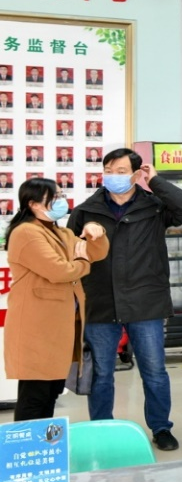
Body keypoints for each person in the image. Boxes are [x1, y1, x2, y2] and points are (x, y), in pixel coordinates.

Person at [68, 148, 182, 452]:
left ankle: (161, 427)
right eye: (108, 170)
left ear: (135, 173)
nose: (113, 176)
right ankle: (101, 428)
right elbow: (70, 250)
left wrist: (155, 182)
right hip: (100, 301)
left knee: (154, 371)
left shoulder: (154, 206)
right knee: (101, 374)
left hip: (146, 301)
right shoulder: (86, 211)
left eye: (120, 171)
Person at [5, 178, 108, 421]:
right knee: (35, 396)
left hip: (59, 326)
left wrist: (97, 231)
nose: (62, 200)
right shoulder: (26, 232)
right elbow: (60, 271)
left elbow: (96, 252)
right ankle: (27, 444)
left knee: (51, 393)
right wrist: (81, 262)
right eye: (55, 197)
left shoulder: (61, 233)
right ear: (33, 204)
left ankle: (45, 443)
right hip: (36, 327)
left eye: (62, 195)